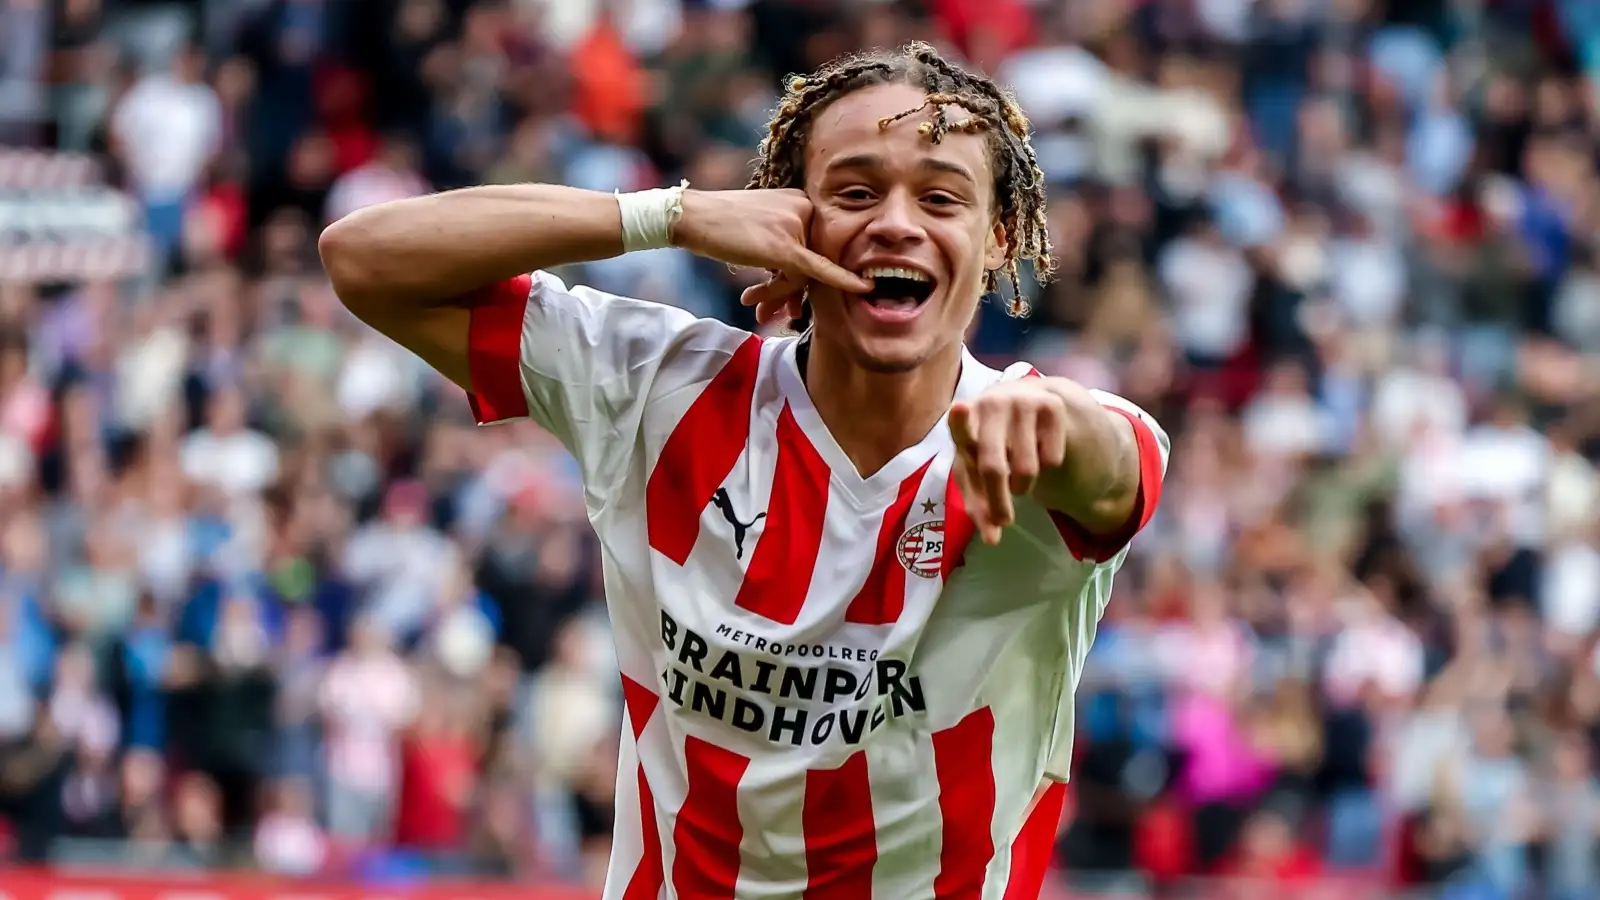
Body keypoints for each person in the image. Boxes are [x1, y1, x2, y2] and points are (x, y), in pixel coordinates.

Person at [320, 41, 1167, 900]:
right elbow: (364, 259)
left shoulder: (1035, 451)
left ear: (998, 240)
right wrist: (668, 215)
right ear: (789, 220)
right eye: (855, 191)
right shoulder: (655, 385)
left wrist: (1056, 424)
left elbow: (1116, 472)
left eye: (941, 197)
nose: (897, 223)